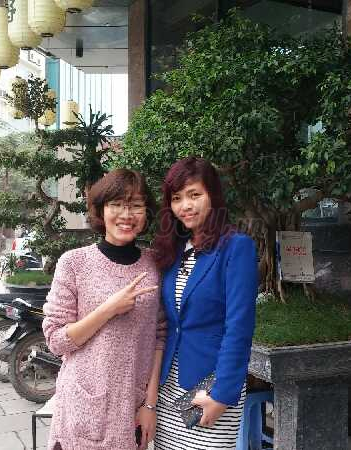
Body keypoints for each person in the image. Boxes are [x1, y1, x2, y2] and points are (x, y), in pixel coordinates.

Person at [42, 169, 166, 450]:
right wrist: (107, 309)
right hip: (82, 405)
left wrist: (150, 404)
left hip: (132, 406)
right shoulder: (74, 263)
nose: (126, 215)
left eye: (136, 205)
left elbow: (160, 337)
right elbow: (56, 341)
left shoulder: (155, 265)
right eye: (116, 205)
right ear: (100, 210)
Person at [153, 157, 258, 450]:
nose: (185, 205)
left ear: (212, 195)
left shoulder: (236, 247)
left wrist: (222, 395)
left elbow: (239, 328)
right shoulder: (174, 250)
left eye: (194, 195)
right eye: (177, 198)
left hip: (210, 386)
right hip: (168, 385)